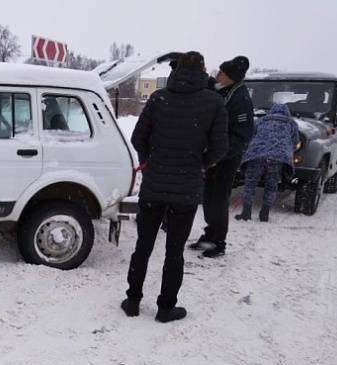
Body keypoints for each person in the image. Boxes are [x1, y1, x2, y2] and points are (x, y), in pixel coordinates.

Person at [122, 51, 228, 323]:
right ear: (203, 70)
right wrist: (199, 164)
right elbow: (220, 148)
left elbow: (138, 139)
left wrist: (154, 160)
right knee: (174, 252)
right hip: (186, 189)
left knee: (143, 246)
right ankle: (165, 307)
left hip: (154, 186)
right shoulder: (214, 102)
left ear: (178, 69)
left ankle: (133, 301)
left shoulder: (159, 98)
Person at [190, 56, 255, 258]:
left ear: (231, 78)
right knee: (209, 199)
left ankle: (218, 243)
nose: (217, 76)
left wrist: (220, 156)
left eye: (221, 74)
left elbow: (242, 135)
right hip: (213, 157)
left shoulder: (240, 99)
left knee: (218, 201)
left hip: (225, 160)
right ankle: (209, 236)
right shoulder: (223, 90)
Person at [235, 103, 299, 222]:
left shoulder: (261, 121)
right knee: (271, 185)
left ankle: (246, 212)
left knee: (250, 184)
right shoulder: (291, 124)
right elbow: (295, 142)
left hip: (256, 155)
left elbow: (250, 137)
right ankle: (264, 213)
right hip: (277, 158)